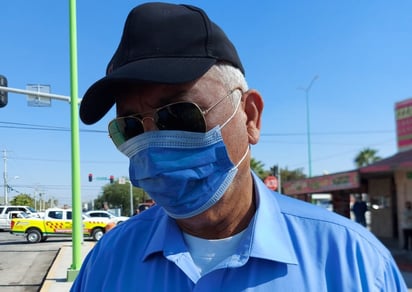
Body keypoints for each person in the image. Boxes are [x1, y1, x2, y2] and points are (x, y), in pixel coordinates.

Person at [71, 3, 407, 291]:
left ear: (250, 116)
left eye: (178, 114)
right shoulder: (107, 261)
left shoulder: (353, 262)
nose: (152, 145)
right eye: (129, 127)